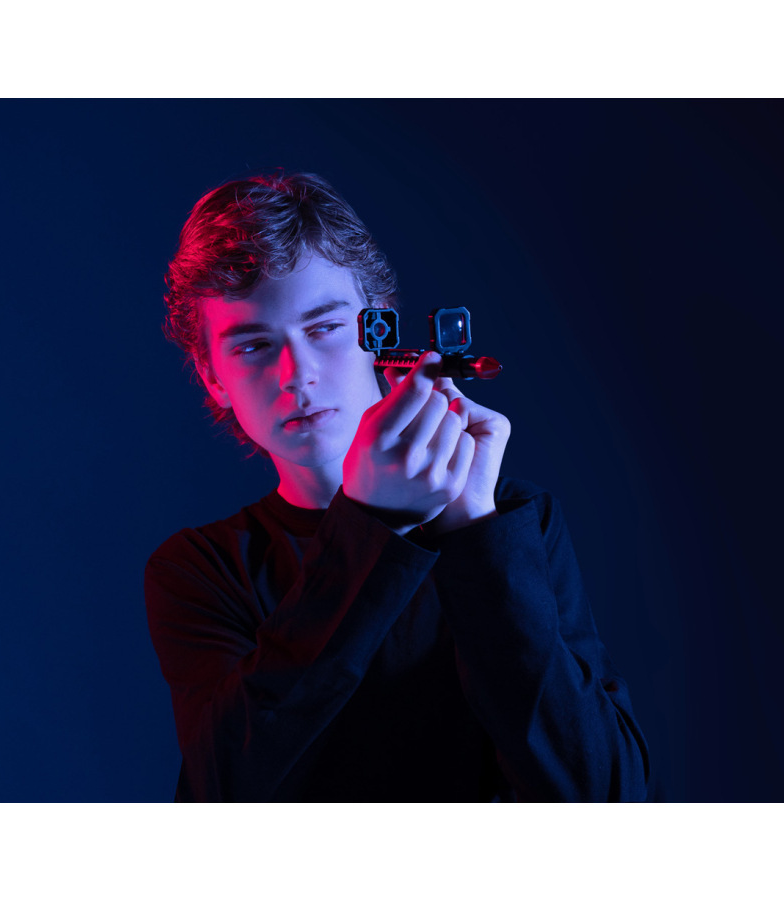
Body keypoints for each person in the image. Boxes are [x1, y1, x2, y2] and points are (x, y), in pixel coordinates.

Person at [144, 171, 650, 801]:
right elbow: (224, 791)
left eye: (324, 328)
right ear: (212, 376)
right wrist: (371, 523)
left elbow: (604, 796)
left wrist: (476, 535)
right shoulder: (201, 570)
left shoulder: (515, 522)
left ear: (378, 332)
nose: (297, 373)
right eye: (252, 346)